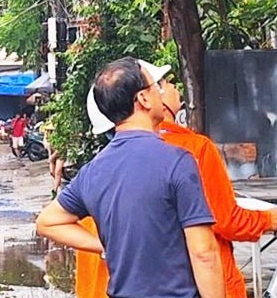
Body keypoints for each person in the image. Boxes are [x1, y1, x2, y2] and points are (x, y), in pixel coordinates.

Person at [77, 60, 277, 298]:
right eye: (164, 83)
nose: (173, 88)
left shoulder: (96, 172)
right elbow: (222, 225)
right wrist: (268, 219)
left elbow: (52, 222)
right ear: (146, 99)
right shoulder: (191, 152)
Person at [35, 58, 226, 298]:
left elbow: (47, 222)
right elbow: (203, 253)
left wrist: (107, 247)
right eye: (156, 85)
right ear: (143, 99)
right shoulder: (177, 161)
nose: (160, 90)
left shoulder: (93, 171)